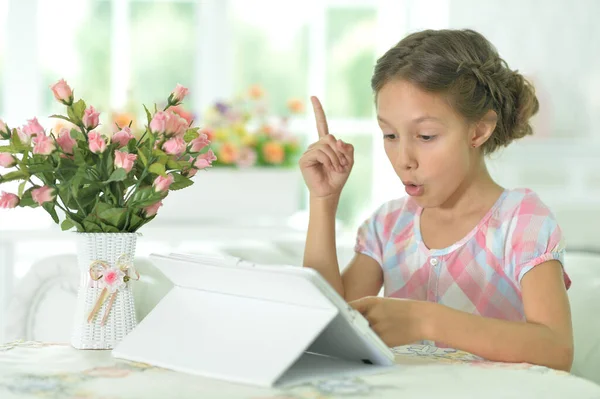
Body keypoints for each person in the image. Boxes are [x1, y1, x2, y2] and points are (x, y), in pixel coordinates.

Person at [299, 29, 573, 371]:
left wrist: (427, 320)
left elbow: (557, 350)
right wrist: (323, 202)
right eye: (390, 135)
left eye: (426, 136)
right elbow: (325, 324)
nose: (404, 158)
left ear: (478, 131)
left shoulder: (523, 222)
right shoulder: (389, 226)